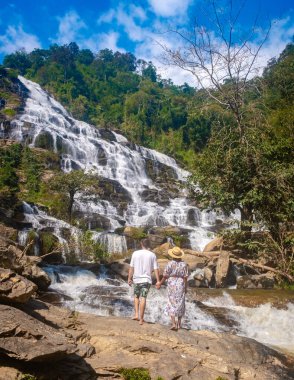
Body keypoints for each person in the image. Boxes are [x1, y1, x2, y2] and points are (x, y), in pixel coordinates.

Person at [128, 238, 160, 325]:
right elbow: (156, 268)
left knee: (136, 296)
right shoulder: (152, 255)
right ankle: (141, 319)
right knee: (143, 298)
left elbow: (131, 267)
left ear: (141, 244)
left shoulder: (135, 253)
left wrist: (129, 278)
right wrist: (158, 281)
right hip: (146, 280)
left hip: (137, 279)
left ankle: (136, 315)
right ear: (149, 245)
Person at [157, 246, 188, 330]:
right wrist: (185, 287)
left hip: (171, 284)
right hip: (181, 284)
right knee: (181, 303)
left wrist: (160, 282)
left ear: (172, 255)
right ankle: (179, 324)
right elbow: (185, 277)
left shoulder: (170, 263)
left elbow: (165, 275)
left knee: (171, 302)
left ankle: (173, 323)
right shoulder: (184, 264)